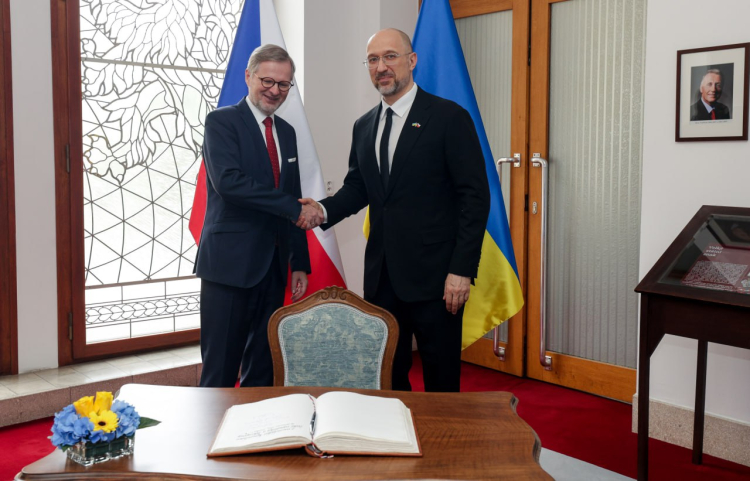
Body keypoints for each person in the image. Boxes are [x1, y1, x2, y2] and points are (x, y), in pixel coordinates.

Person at [301, 29, 490, 392]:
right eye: (373, 60)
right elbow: (359, 188)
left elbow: (474, 198)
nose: (381, 67)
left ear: (411, 60)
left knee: (441, 380)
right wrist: (322, 211)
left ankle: (438, 432)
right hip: (382, 277)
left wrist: (461, 270)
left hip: (437, 278)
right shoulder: (364, 126)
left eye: (390, 56)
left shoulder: (448, 117)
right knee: (387, 377)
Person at [194, 44, 321, 388]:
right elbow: (229, 183)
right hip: (229, 266)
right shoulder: (222, 122)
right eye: (267, 81)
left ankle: (255, 423)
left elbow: (292, 195)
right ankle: (212, 425)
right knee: (220, 369)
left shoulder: (287, 132)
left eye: (284, 84)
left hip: (274, 267)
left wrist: (299, 261)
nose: (275, 90)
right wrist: (295, 208)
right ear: (248, 76)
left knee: (263, 367)